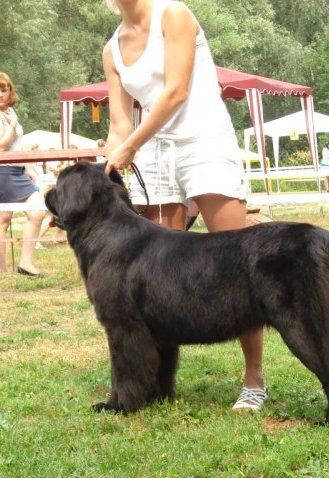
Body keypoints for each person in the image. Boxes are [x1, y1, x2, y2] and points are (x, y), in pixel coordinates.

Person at [103, 0, 266, 411]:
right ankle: (159, 383)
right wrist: (108, 164)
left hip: (203, 141)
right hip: (153, 152)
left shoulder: (173, 14)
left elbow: (176, 92)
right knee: (158, 275)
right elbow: (119, 124)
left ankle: (254, 380)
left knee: (240, 261)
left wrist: (130, 146)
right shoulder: (112, 50)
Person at [0, 72, 46, 276]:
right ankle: (1, 271)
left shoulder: (8, 111)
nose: (0, 94)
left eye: (4, 90)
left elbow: (15, 146)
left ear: (10, 91)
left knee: (37, 212)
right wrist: (13, 125)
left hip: (16, 172)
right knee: (2, 220)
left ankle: (26, 263)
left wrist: (26, 166)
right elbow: (0, 146)